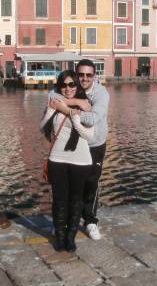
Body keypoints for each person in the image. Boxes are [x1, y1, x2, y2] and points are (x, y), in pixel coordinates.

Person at [49, 59, 110, 241]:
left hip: (94, 145)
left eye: (88, 75)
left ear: (94, 76)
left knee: (92, 183)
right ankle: (66, 223)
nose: (84, 78)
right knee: (70, 188)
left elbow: (92, 119)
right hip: (72, 146)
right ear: (76, 74)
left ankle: (90, 221)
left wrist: (67, 106)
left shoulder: (101, 93)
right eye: (81, 74)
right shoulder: (70, 85)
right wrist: (74, 103)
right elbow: (51, 98)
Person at [40, 70, 94, 252]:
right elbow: (43, 127)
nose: (68, 88)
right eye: (64, 85)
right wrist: (52, 110)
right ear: (59, 86)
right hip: (57, 159)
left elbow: (90, 136)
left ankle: (71, 237)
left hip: (81, 161)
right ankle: (60, 237)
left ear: (77, 86)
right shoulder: (54, 103)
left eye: (72, 84)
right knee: (59, 200)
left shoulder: (86, 106)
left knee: (76, 200)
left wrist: (74, 118)